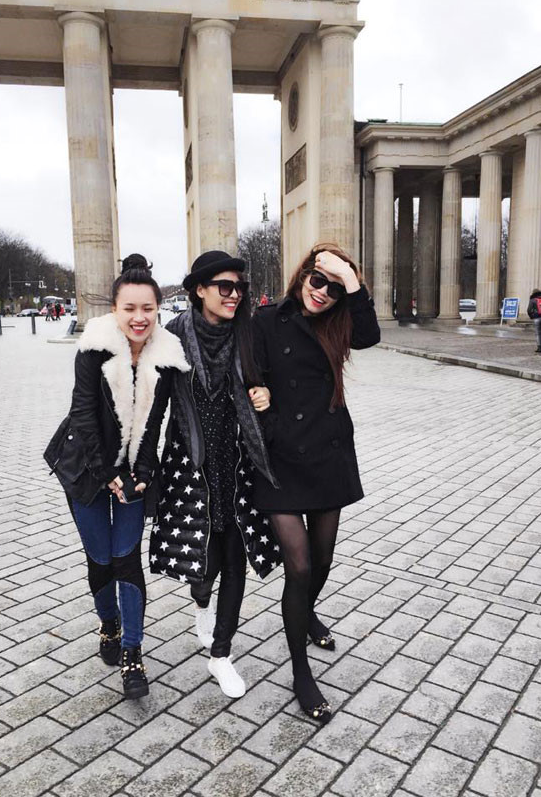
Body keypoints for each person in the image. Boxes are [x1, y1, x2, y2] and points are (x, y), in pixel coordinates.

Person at [44, 254, 189, 699]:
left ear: (158, 308)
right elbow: (83, 414)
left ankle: (132, 651)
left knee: (126, 558)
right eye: (130, 308)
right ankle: (108, 624)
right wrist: (106, 472)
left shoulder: (166, 356)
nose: (139, 317)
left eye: (148, 308)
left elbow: (155, 421)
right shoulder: (93, 349)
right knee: (101, 559)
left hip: (132, 469)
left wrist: (143, 470)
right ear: (115, 309)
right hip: (86, 467)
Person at [251, 242, 380, 724]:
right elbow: (250, 376)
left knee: (323, 560)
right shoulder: (267, 320)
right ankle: (301, 672)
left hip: (327, 454)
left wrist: (352, 279)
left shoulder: (340, 323)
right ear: (303, 275)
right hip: (280, 460)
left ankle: (307, 616)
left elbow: (370, 335)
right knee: (300, 567)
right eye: (317, 279)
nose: (322, 292)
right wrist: (265, 411)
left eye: (333, 286)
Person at [149, 250, 280, 699]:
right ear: (199, 290)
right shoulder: (172, 337)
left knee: (235, 556)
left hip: (238, 462)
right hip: (190, 465)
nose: (235, 295)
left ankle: (221, 654)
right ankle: (202, 602)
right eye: (225, 287)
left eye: (240, 287)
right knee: (205, 564)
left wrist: (265, 394)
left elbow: (267, 382)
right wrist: (145, 466)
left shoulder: (248, 333)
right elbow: (156, 406)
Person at [527, 289, 541, 353]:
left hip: (537, 318)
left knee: (538, 333)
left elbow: (529, 310)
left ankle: (539, 347)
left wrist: (531, 316)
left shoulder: (532, 300)